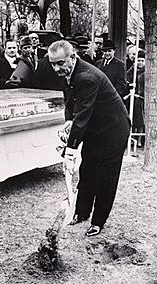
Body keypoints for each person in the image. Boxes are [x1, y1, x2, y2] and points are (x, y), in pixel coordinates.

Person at [47, 40, 130, 236]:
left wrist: (70, 149)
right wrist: (68, 122)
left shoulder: (86, 77)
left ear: (72, 57)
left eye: (60, 63)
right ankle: (81, 213)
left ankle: (98, 222)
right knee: (87, 171)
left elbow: (82, 115)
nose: (56, 68)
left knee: (105, 178)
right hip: (94, 128)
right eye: (52, 63)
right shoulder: (68, 72)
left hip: (112, 130)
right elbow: (70, 102)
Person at [126, 49, 146, 147]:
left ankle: (139, 139)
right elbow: (126, 79)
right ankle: (132, 137)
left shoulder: (147, 71)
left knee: (141, 119)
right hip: (133, 97)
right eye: (138, 60)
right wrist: (130, 84)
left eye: (142, 61)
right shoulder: (132, 70)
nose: (140, 63)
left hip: (142, 98)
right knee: (133, 117)